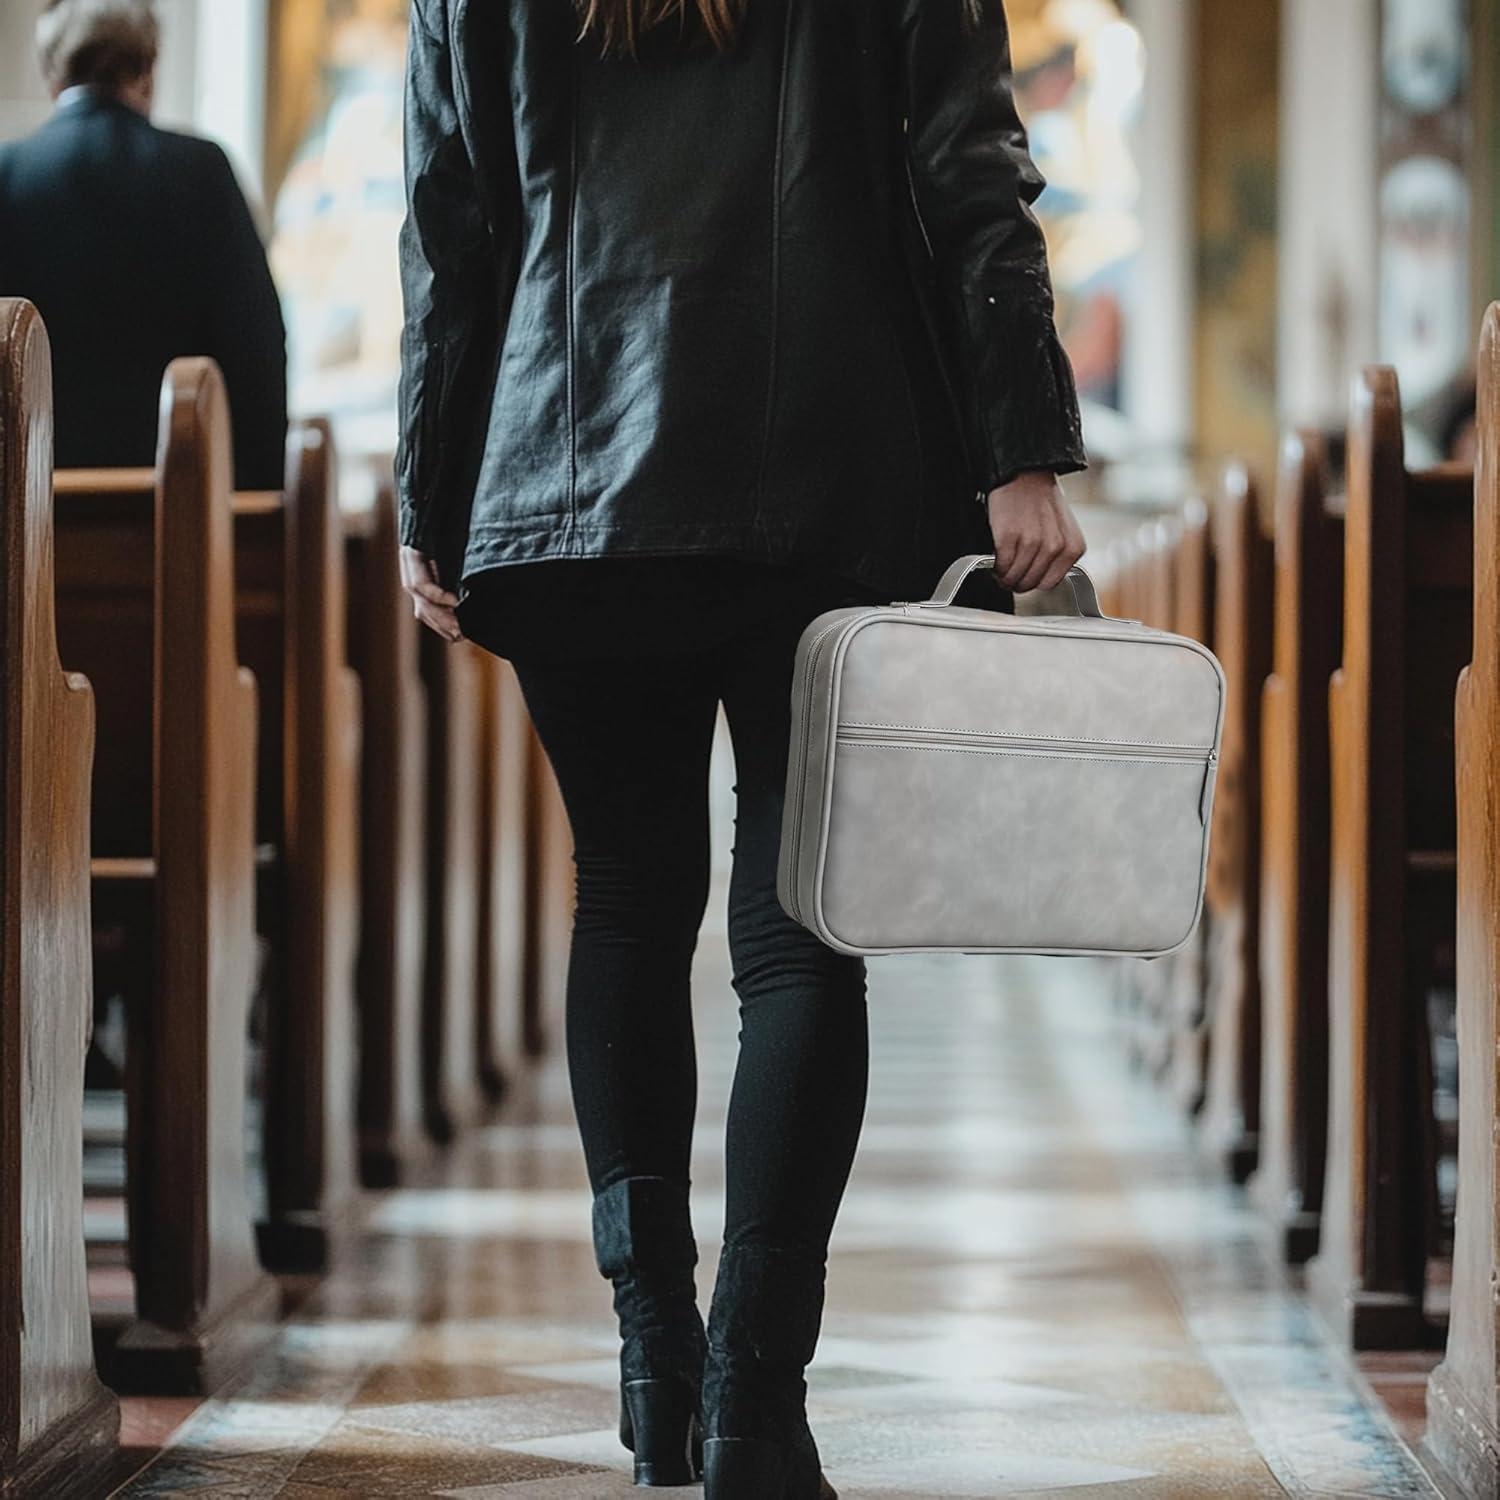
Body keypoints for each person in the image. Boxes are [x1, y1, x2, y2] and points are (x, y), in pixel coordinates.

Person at [396, 2, 1087, 1495]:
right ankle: (754, 1405)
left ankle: (658, 1369)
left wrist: (431, 492)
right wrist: (1017, 447)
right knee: (799, 941)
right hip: (826, 472)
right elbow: (969, 166)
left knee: (629, 903)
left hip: (560, 467)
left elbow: (450, 218)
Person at [0, 0, 287, 490]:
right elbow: (256, 350)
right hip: (176, 515)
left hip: (30, 514)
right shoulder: (202, 172)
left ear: (51, 74)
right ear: (148, 69)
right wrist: (256, 506)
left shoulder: (7, 176)